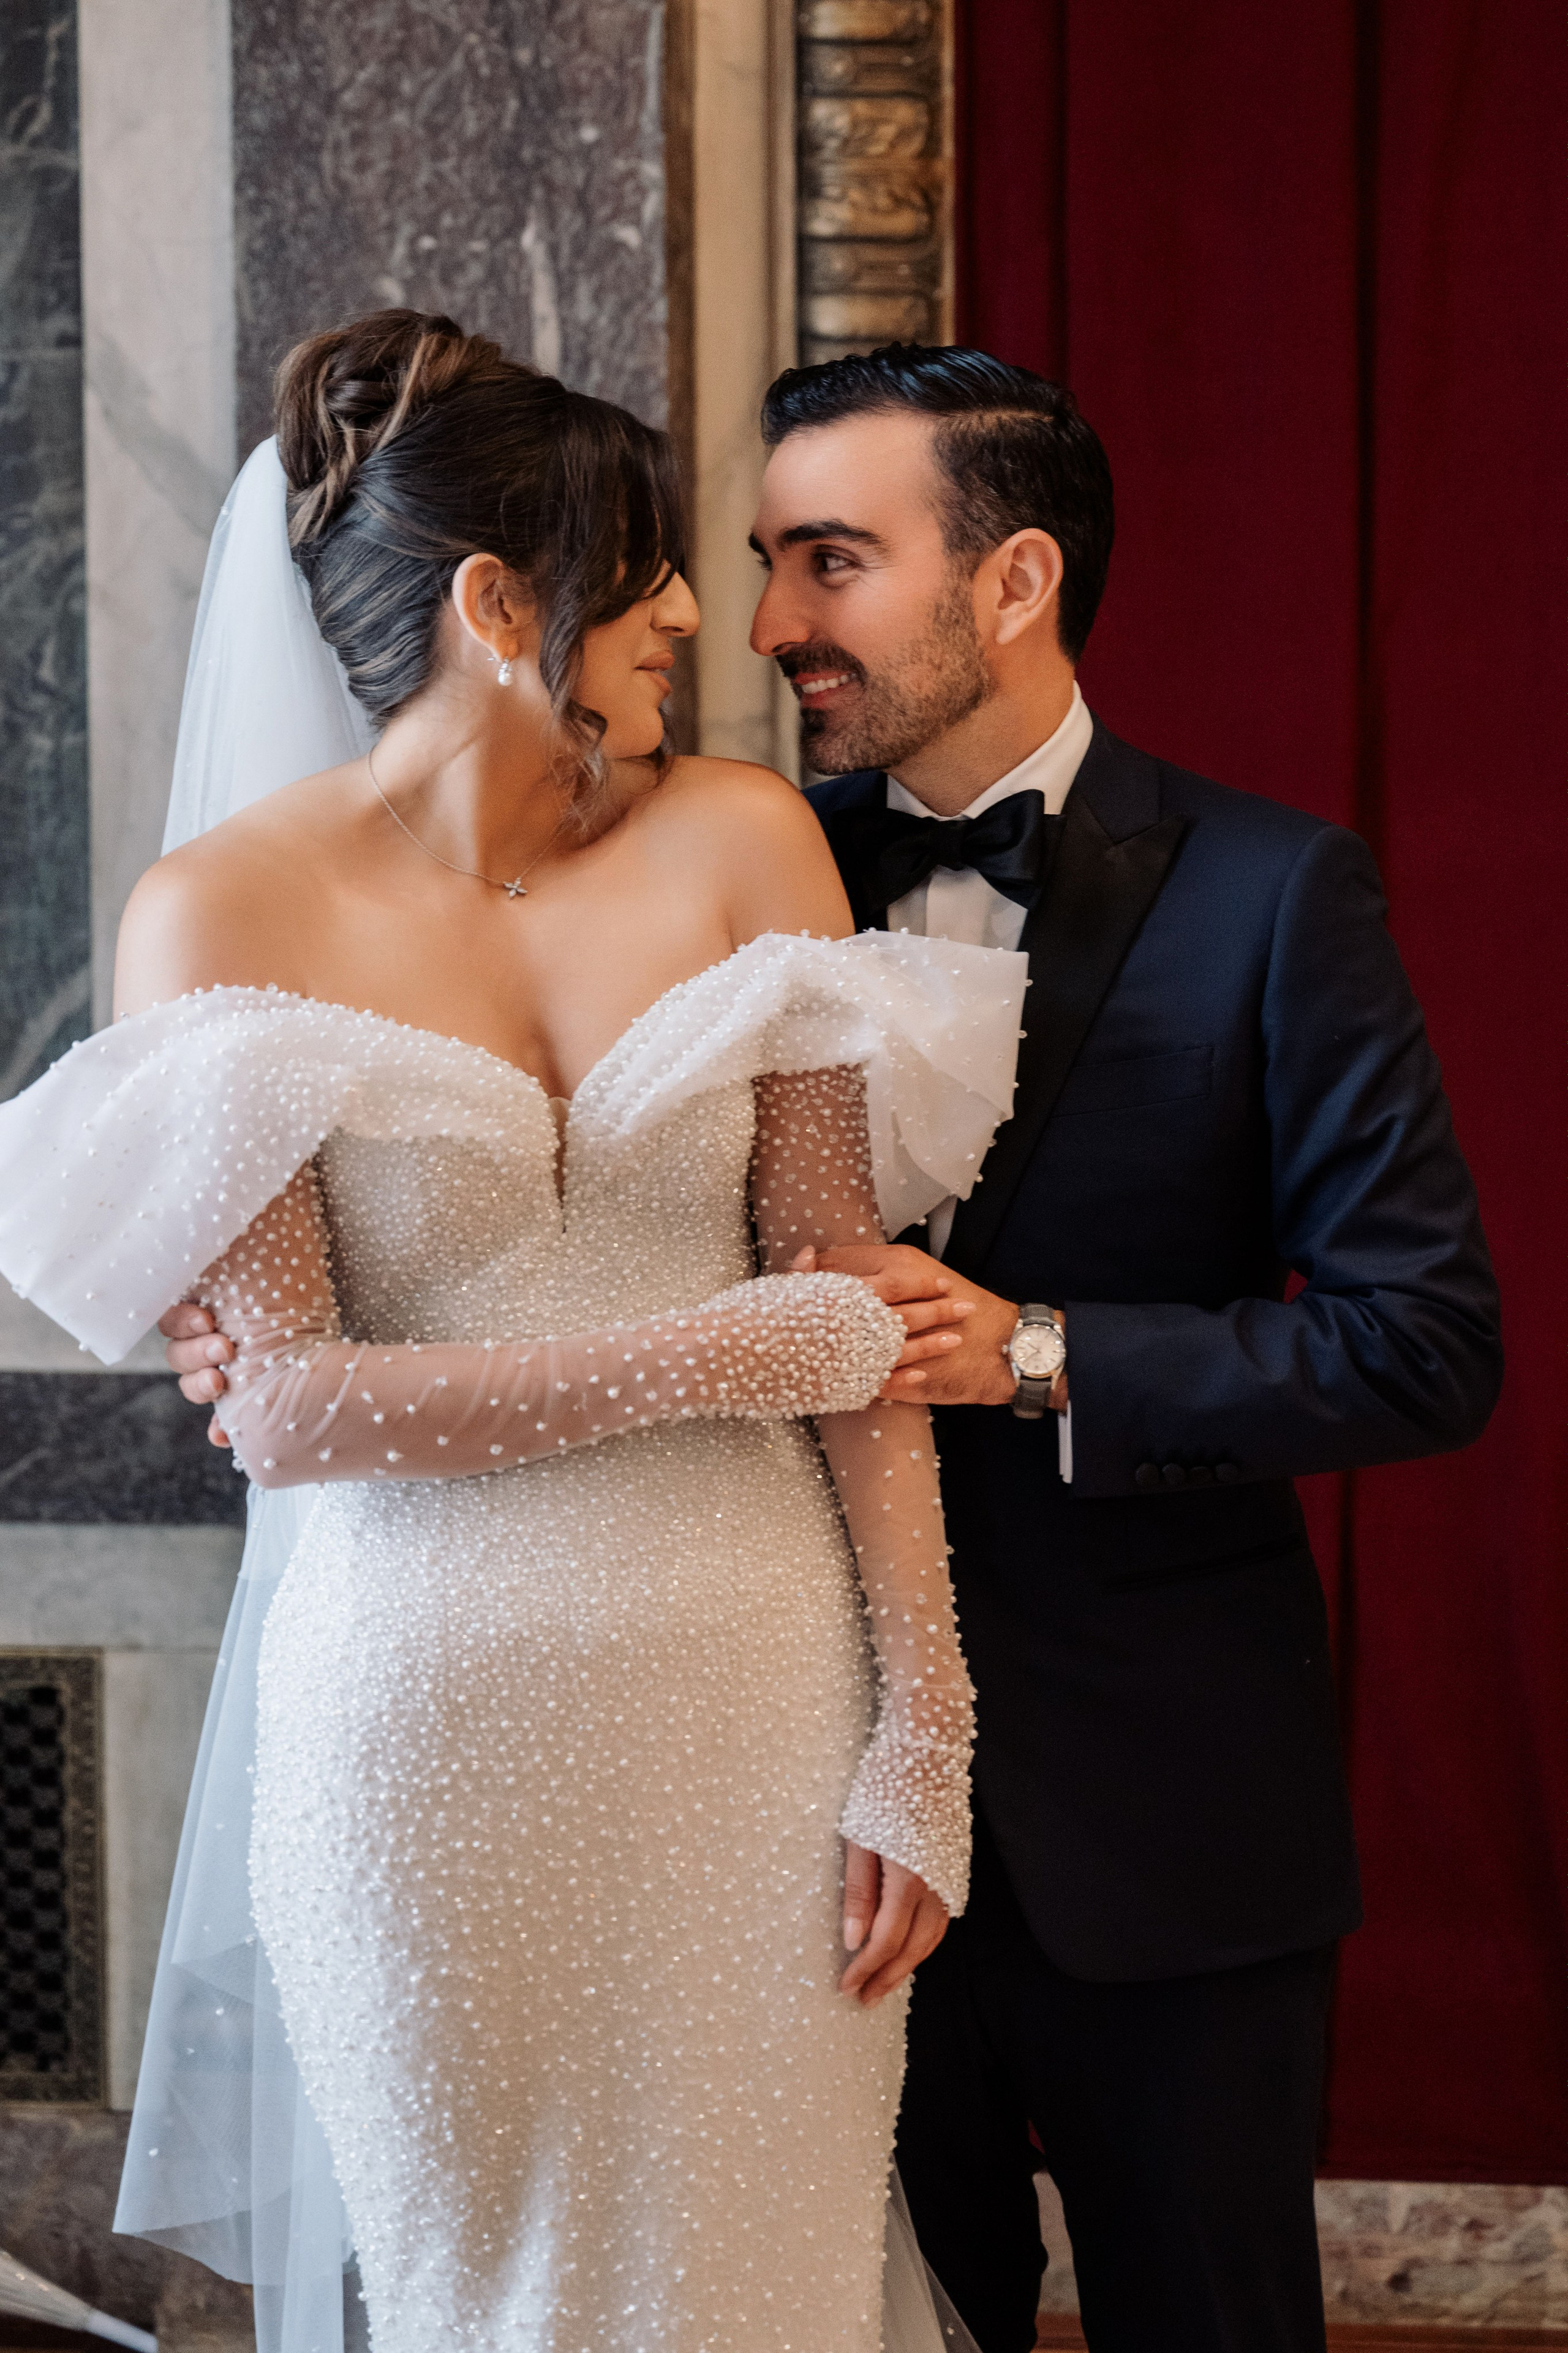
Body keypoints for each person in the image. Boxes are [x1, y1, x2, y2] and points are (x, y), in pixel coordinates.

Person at [0, 313, 1033, 2353]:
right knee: (489, 2298)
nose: (686, 618)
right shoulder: (218, 910)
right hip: (419, 1736)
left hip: (759, 1705)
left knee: (768, 2291)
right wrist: (722, 1353)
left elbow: (851, 1294)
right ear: (499, 602)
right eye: (641, 569)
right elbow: (288, 1405)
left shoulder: (746, 834)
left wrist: (929, 1729)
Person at [744, 344, 1504, 2353]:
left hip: (1173, 1819)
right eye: (763, 563)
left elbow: (1423, 1341)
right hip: (792, 1807)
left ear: (1012, 580)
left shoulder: (1273, 894)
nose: (770, 626)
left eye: (831, 560)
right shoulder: (732, 889)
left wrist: (1045, 1353)